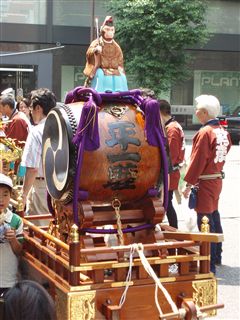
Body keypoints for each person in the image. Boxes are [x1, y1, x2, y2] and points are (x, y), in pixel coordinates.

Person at [182, 94, 232, 274]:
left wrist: (188, 184)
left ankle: (208, 264)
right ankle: (217, 256)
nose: (196, 112)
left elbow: (198, 160)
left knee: (204, 220)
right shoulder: (222, 131)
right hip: (216, 179)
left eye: (197, 109)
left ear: (203, 112)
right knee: (214, 216)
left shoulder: (204, 132)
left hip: (205, 181)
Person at [21, 88, 56, 224]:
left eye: (31, 107)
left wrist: (23, 195)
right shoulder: (62, 127)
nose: (30, 111)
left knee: (40, 231)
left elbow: (32, 169)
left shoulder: (36, 131)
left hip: (42, 187)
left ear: (38, 108)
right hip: (62, 188)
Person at [83, 16, 128, 92]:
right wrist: (95, 50)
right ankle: (102, 91)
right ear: (102, 31)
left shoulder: (116, 47)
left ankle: (120, 92)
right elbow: (88, 53)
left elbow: (120, 61)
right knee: (100, 74)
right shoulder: (97, 43)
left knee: (121, 76)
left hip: (114, 69)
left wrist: (120, 69)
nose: (110, 32)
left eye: (112, 30)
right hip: (101, 69)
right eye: (107, 29)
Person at [159, 100, 185, 229]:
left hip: (171, 172)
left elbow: (171, 155)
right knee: (167, 203)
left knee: (167, 203)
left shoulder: (171, 129)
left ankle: (174, 231)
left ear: (161, 112)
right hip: (172, 170)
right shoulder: (173, 126)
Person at [0, 173, 23, 297]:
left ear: (10, 196)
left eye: (5, 194)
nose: (1, 199)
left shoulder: (16, 220)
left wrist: (13, 239)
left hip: (8, 280)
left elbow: (19, 251)